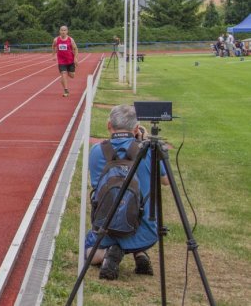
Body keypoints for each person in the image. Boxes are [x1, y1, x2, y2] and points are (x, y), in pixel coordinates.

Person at [85, 104, 169, 280]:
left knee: (88, 250)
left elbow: (96, 185)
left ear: (109, 125)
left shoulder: (96, 152)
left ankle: (110, 252)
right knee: (135, 210)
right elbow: (166, 181)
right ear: (136, 128)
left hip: (106, 228)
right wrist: (145, 142)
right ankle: (139, 253)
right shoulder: (148, 151)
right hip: (143, 230)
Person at [52, 25, 78, 97]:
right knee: (63, 73)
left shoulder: (71, 39)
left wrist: (75, 58)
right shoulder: (56, 40)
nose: (63, 32)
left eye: (64, 30)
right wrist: (54, 55)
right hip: (61, 61)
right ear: (59, 31)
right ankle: (66, 90)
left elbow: (75, 49)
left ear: (67, 31)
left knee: (72, 75)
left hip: (70, 60)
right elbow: (53, 46)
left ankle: (63, 80)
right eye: (62, 30)